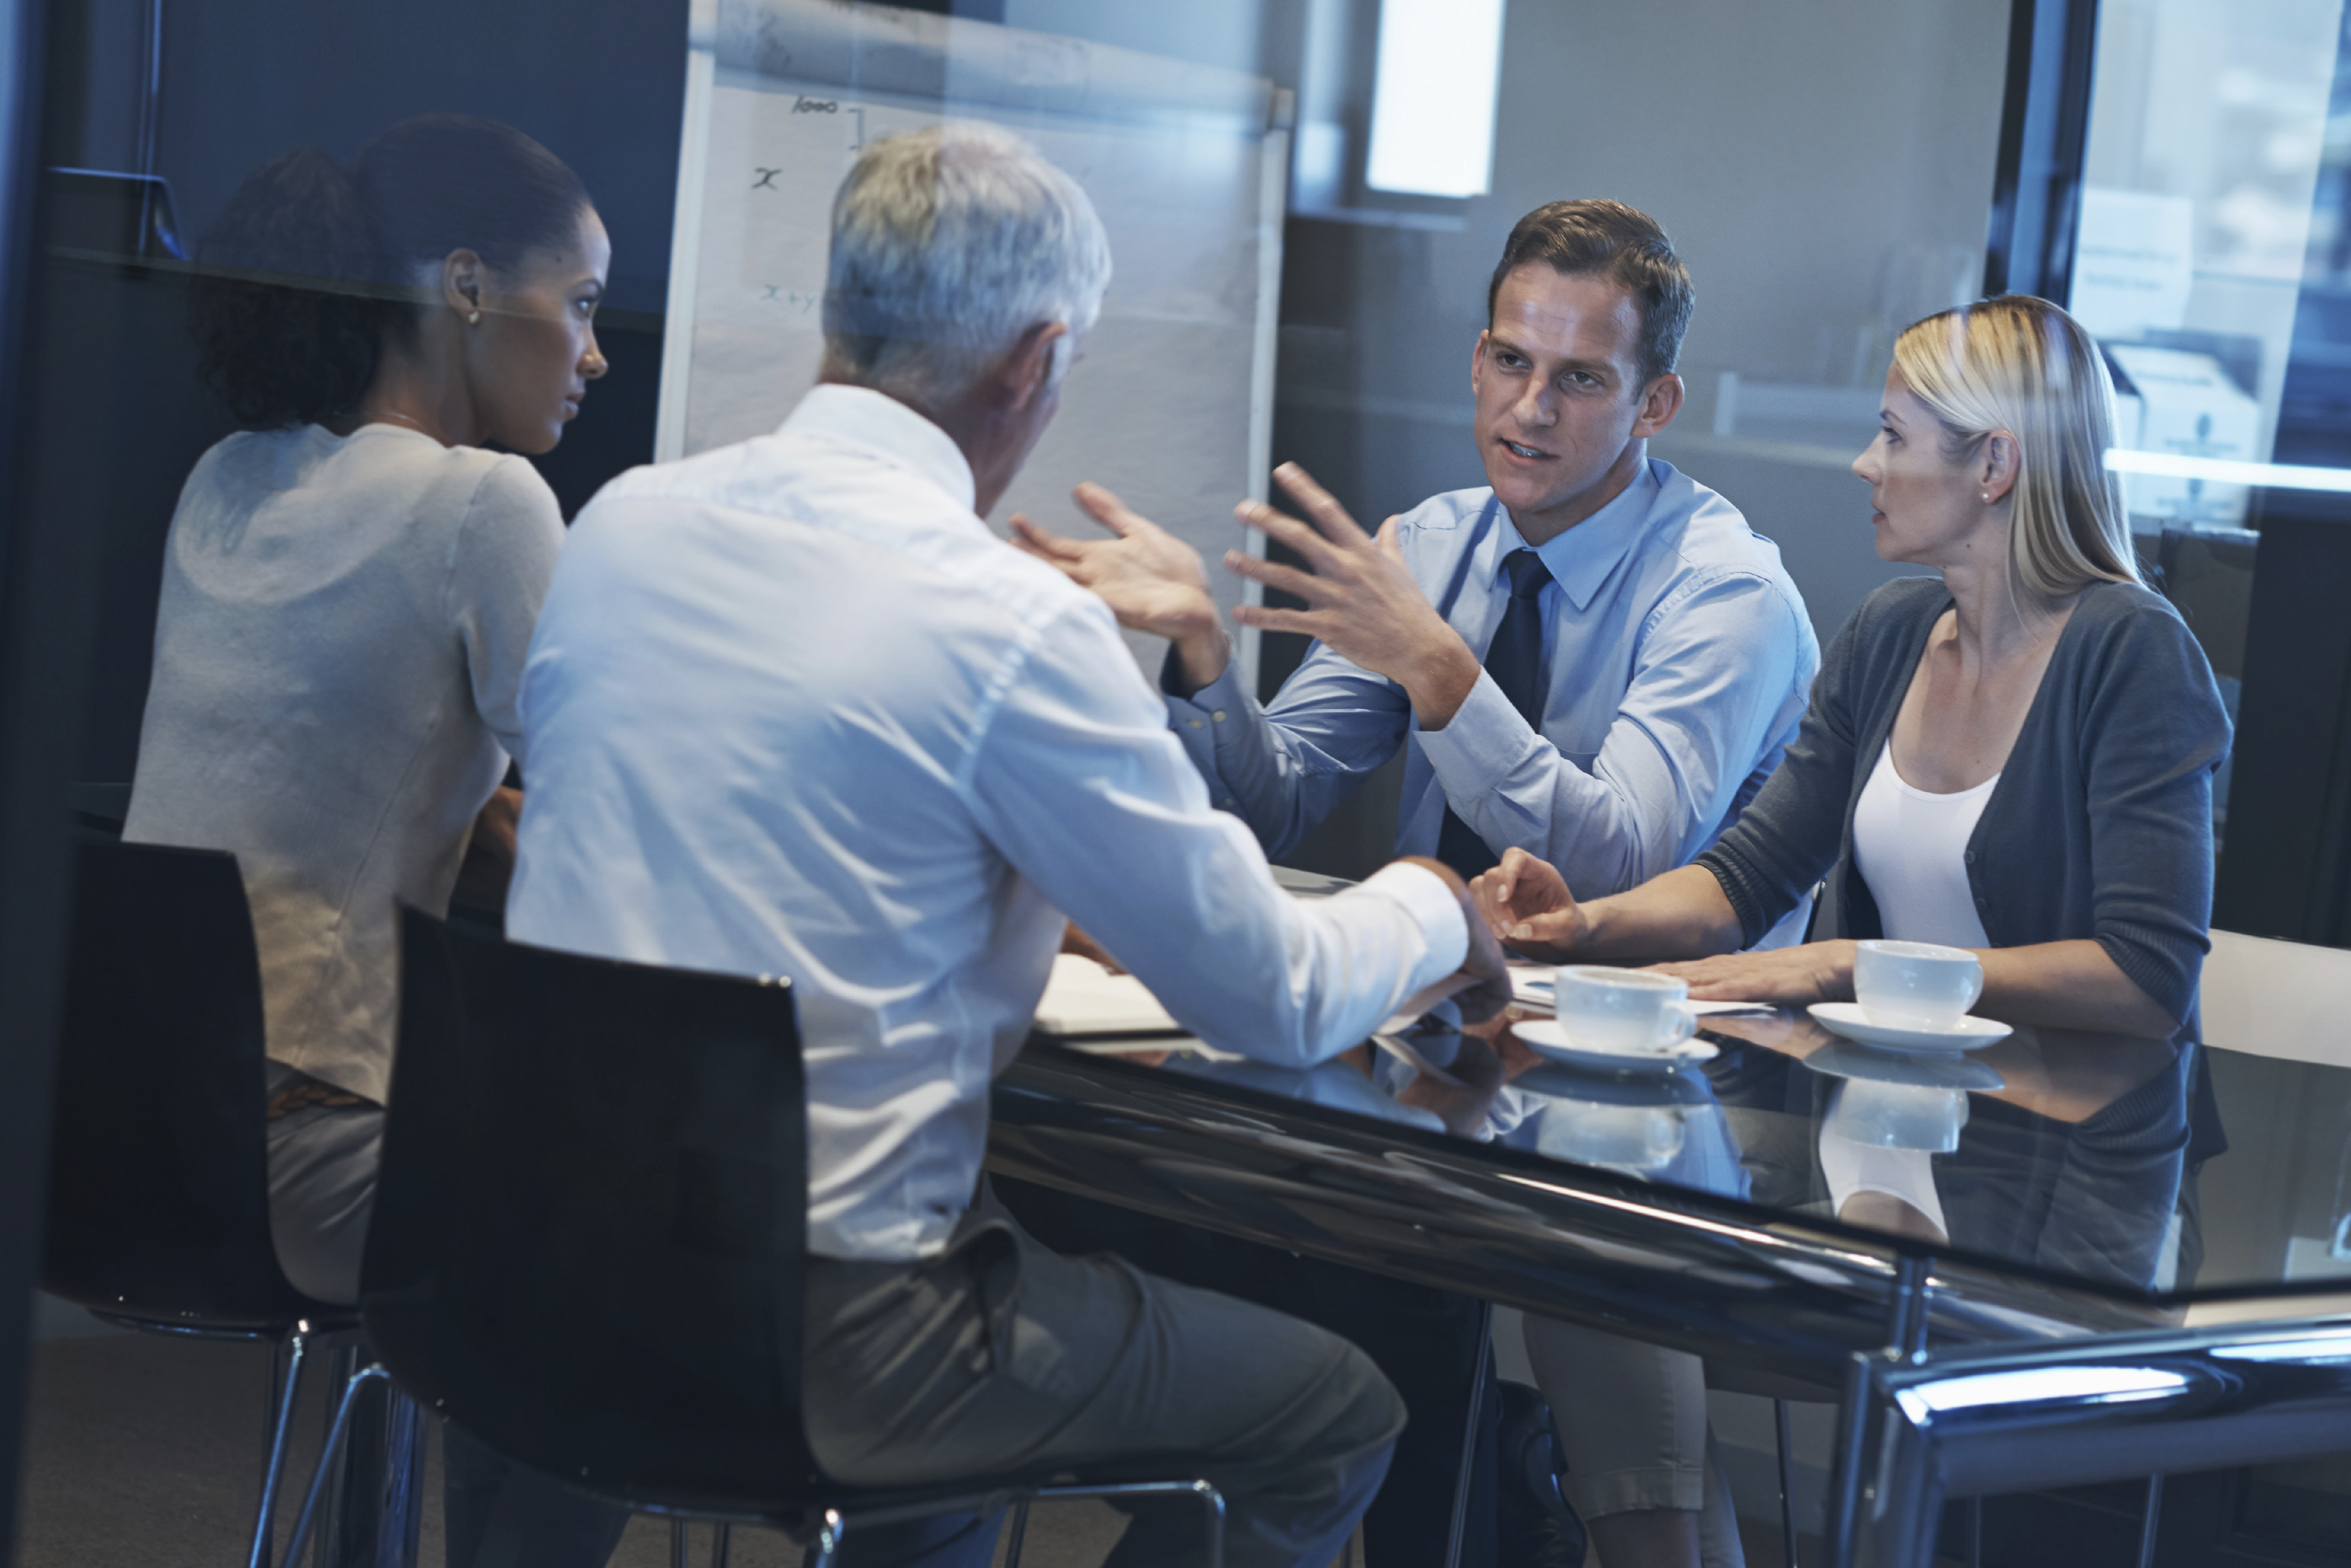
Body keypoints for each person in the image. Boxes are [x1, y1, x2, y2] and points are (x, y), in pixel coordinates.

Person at [505, 123, 1508, 1568]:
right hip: (834, 1327)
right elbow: (1274, 994)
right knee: (1334, 1412)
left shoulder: (617, 527)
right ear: (1037, 361)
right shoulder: (1008, 622)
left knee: (950, 1465)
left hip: (536, 1269)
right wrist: (1429, 900)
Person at [1008, 199, 1817, 1568]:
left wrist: (1442, 672)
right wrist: (1204, 654)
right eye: (1509, 362)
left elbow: (1624, 851)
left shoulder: (1726, 590)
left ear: (1656, 401)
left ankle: (1468, 1507)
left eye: (1579, 379)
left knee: (1378, 1289)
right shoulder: (1434, 538)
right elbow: (1276, 798)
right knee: (1238, 1234)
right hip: (1444, 1072)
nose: (1529, 410)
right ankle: (1438, 1505)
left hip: (1657, 1105)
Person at [1472, 294, 2231, 1568]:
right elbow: (1747, 870)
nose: (1865, 465)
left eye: (1893, 436)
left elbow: (2148, 979)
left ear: (1994, 466)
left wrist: (1847, 963)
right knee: (1588, 1269)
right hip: (1877, 1151)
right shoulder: (1890, 634)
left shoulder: (2134, 654)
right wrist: (1579, 922)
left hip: (2068, 1208)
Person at [121, 114, 628, 1567]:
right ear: (467, 286)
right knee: (630, 1249)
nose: (595, 353)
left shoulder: (226, 479)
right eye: (581, 302)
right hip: (306, 1148)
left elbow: (363, 780)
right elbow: (611, 806)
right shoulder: (484, 503)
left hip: (128, 1128)